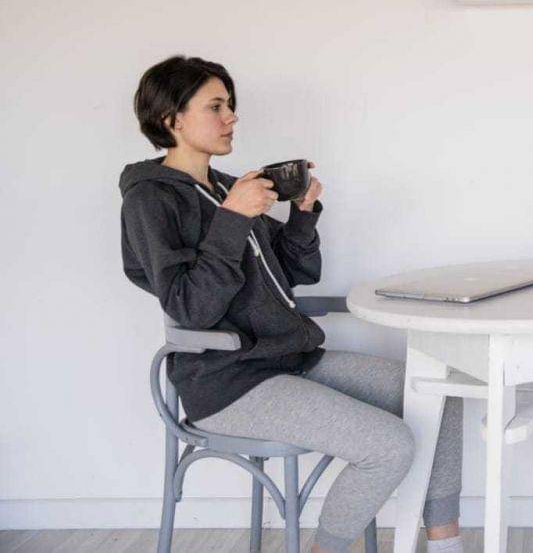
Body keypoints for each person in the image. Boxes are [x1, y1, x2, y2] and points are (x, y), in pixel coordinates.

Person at [120, 56, 464, 553]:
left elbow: (294, 272)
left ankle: (446, 544)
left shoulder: (226, 188)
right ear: (172, 119)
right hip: (227, 381)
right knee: (389, 445)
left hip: (289, 359)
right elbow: (190, 306)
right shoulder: (150, 200)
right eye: (215, 107)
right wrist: (233, 218)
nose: (231, 116)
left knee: (441, 396)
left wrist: (302, 214)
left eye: (230, 105)